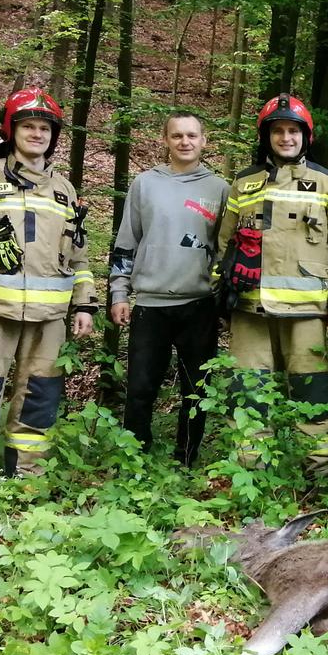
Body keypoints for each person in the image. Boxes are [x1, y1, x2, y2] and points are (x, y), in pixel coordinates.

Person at [0, 88, 97, 520]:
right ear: (11, 130)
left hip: (49, 321)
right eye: (28, 126)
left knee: (39, 402)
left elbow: (78, 256)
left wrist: (85, 305)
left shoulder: (63, 189)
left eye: (45, 128)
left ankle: (25, 480)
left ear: (54, 136)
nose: (37, 134)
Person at [215, 94, 328, 476]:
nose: (285, 137)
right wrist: (221, 298)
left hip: (308, 311)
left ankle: (321, 474)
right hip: (250, 307)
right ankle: (250, 475)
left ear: (305, 136)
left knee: (314, 392)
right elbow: (224, 243)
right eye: (277, 130)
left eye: (293, 130)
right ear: (267, 137)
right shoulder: (244, 183)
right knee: (247, 393)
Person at [108, 111, 229, 467]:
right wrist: (119, 292)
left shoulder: (220, 189)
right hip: (151, 302)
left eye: (192, 135)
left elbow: (226, 251)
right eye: (177, 135)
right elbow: (126, 240)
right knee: (140, 388)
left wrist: (224, 302)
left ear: (204, 141)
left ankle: (186, 460)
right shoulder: (145, 184)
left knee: (196, 389)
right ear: (165, 140)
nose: (184, 142)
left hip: (200, 304)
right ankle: (134, 458)